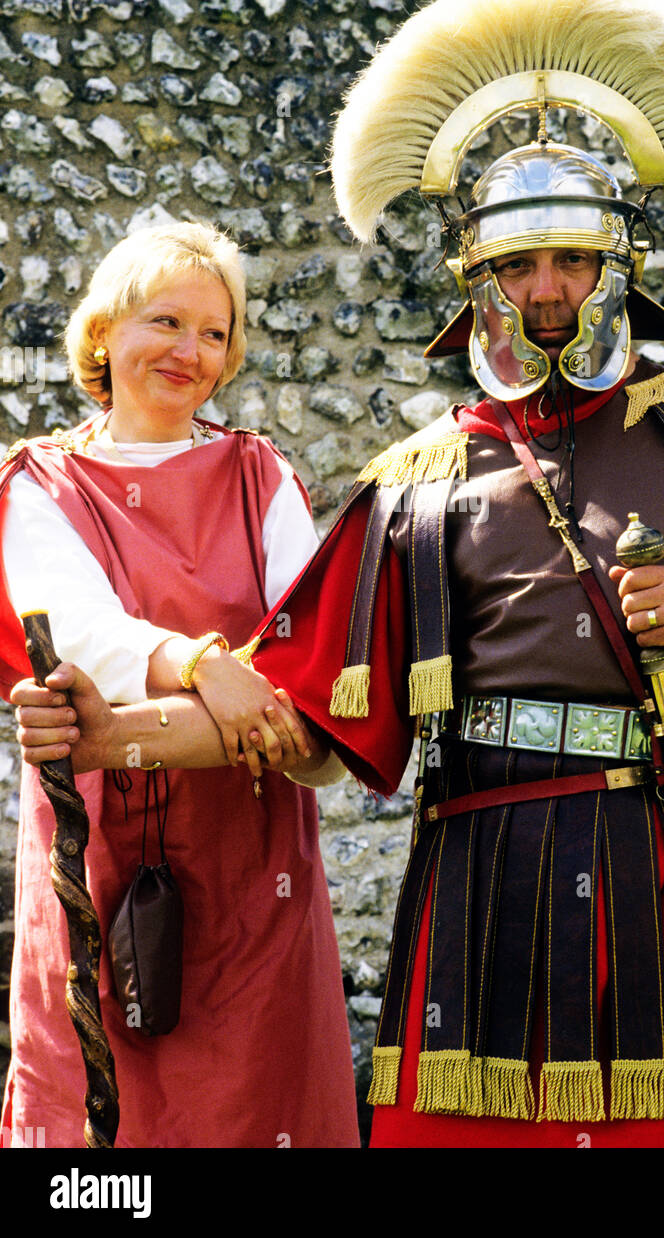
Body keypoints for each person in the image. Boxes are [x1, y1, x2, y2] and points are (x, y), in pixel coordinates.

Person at [15, 0, 664, 1149]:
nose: (549, 291)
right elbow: (302, 710)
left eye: (571, 260)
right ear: (474, 287)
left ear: (617, 266)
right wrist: (114, 735)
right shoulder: (419, 480)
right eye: (516, 267)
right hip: (483, 881)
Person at [0, 221, 359, 1148]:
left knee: (260, 1104)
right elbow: (74, 634)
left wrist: (255, 689)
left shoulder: (261, 474)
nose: (189, 352)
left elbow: (305, 653)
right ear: (104, 334)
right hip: (100, 843)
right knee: (105, 1127)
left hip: (254, 849)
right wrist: (210, 668)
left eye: (213, 333)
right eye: (165, 322)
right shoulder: (40, 483)